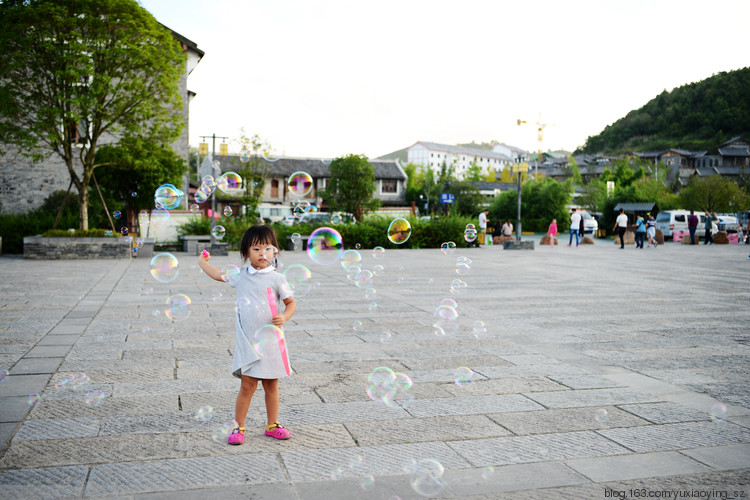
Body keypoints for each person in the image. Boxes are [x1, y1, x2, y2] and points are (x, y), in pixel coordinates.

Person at [198, 225, 297, 445]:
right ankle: (239, 427)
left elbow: (291, 303)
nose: (263, 254)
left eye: (268, 249)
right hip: (249, 341)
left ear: (275, 251)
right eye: (256, 249)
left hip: (271, 340)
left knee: (271, 385)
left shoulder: (277, 278)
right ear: (246, 253)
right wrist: (203, 263)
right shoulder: (241, 275)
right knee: (247, 385)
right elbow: (217, 275)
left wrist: (285, 317)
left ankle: (272, 424)